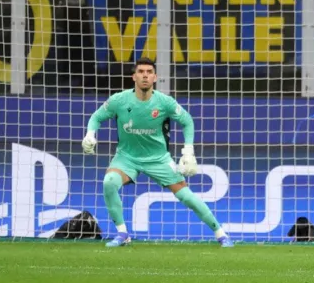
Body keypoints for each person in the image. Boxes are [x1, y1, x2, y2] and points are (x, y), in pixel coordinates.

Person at [81, 57, 233, 248]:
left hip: (158, 159)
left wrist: (188, 151)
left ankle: (221, 234)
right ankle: (122, 234)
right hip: (126, 157)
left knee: (186, 196)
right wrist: (90, 134)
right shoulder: (118, 100)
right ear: (133, 77)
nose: (145, 75)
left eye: (149, 72)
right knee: (109, 183)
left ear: (155, 78)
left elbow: (187, 121)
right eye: (141, 72)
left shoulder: (165, 102)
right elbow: (96, 117)